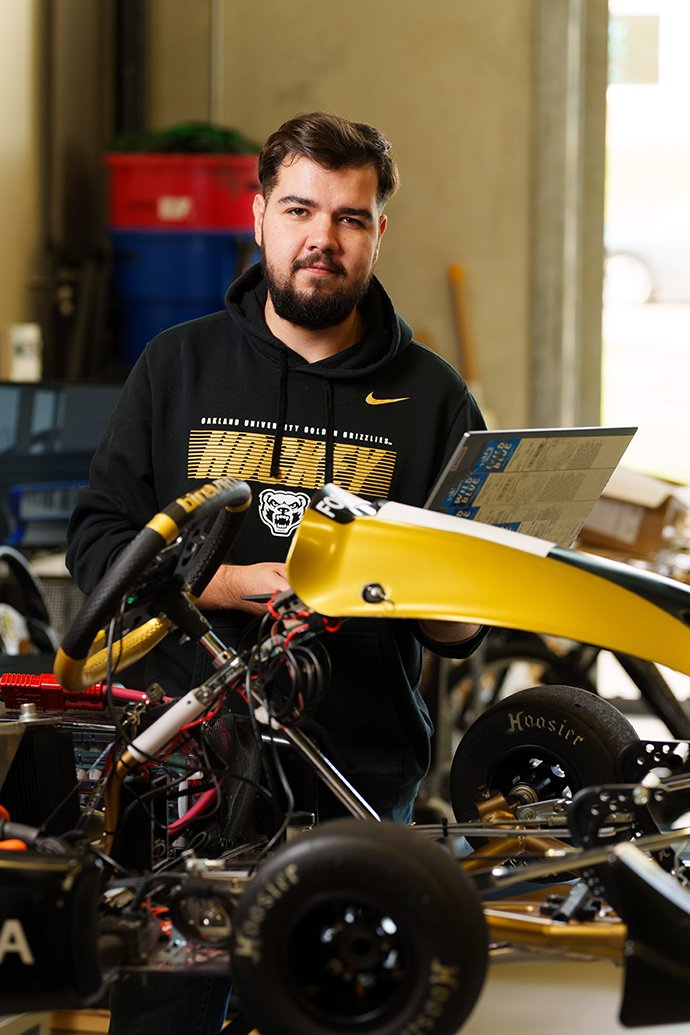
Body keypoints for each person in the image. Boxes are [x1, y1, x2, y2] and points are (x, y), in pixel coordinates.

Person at [66, 110, 488, 1035]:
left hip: (359, 772)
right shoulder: (176, 364)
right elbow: (97, 545)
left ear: (378, 232)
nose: (320, 240)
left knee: (345, 1014)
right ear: (257, 215)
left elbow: (460, 632)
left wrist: (466, 593)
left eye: (348, 217)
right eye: (299, 210)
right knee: (168, 1015)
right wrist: (224, 584)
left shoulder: (434, 397)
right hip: (185, 771)